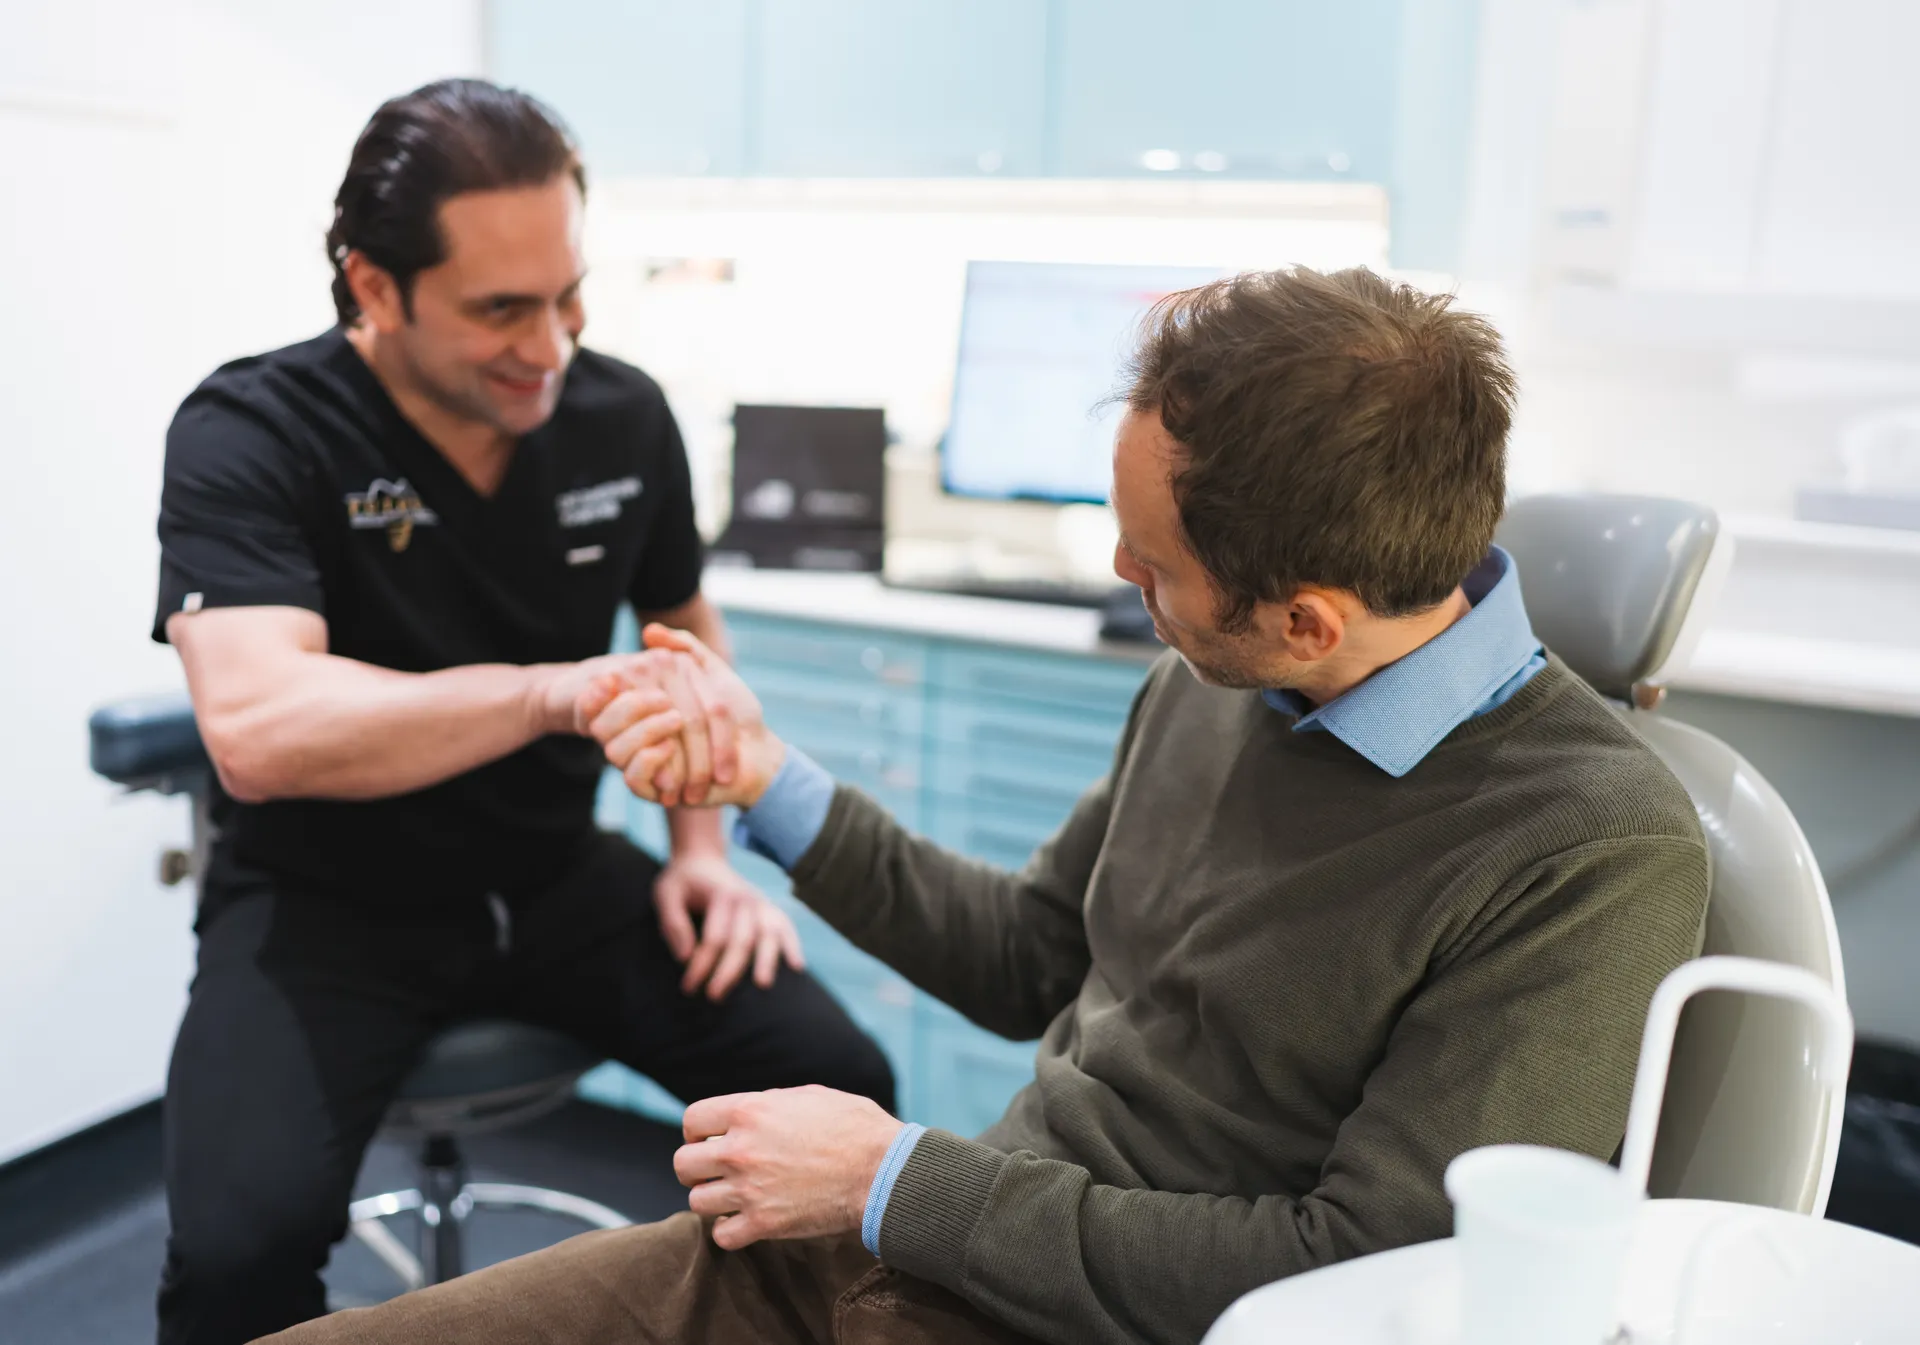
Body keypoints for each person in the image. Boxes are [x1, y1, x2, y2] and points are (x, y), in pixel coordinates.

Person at [265, 267, 1710, 1345]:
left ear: (1311, 618)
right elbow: (1026, 955)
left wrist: (898, 1181)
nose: (1126, 589)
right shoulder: (1222, 687)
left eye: (1152, 573)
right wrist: (766, 779)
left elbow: (1365, 1274)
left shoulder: (1585, 849)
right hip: (911, 1255)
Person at [151, 79, 893, 1345]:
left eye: (568, 296)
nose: (549, 346)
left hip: (556, 881)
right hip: (328, 903)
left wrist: (701, 851)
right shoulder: (255, 429)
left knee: (839, 1092)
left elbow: (683, 635)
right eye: (502, 309)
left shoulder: (621, 415)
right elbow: (259, 727)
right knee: (239, 1249)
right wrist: (552, 693)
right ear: (374, 287)